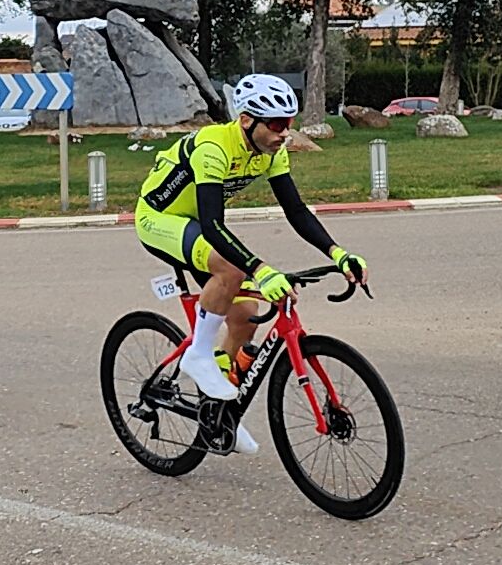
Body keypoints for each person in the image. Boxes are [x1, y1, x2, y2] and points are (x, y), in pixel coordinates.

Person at [133, 73, 368, 457]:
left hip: (196, 227)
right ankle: (197, 356)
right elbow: (212, 225)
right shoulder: (214, 147)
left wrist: (338, 253)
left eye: (288, 124)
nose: (284, 133)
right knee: (234, 270)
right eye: (276, 124)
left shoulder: (272, 151)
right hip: (160, 219)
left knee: (245, 314)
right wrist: (261, 269)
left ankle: (220, 414)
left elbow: (295, 210)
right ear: (246, 120)